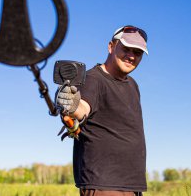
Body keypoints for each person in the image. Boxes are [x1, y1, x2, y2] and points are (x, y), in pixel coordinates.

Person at [56, 25, 149, 196]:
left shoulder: (133, 85)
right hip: (104, 184)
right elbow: (82, 108)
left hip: (131, 185)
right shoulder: (94, 79)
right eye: (126, 49)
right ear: (111, 46)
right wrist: (72, 104)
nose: (131, 56)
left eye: (137, 52)